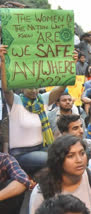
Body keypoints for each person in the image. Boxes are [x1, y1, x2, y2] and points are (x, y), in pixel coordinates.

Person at [0, 45, 69, 175]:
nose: (34, 90)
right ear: (21, 88)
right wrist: (3, 62)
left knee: (68, 152)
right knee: (56, 160)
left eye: (36, 87)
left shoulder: (42, 100)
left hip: (43, 147)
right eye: (30, 87)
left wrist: (71, 63)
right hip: (21, 153)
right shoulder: (15, 101)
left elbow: (60, 89)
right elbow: (6, 89)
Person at [29, 135, 91, 214]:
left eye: (82, 153)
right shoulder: (41, 192)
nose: (79, 160)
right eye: (70, 156)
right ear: (58, 160)